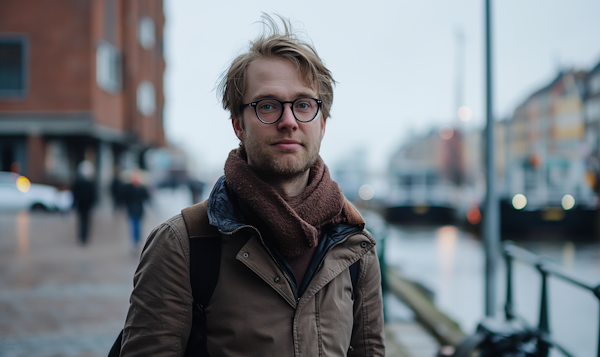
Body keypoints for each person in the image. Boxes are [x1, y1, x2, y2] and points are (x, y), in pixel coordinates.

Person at [120, 14, 385, 356]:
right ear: (238, 125)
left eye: (303, 105)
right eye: (268, 106)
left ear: (322, 123)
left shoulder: (354, 245)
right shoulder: (181, 245)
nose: (288, 121)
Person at [123, 169, 150, 250]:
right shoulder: (128, 187)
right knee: (133, 225)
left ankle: (137, 240)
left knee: (138, 225)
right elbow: (124, 197)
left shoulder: (141, 188)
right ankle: (135, 241)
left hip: (139, 209)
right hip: (131, 209)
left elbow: (146, 197)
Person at [71, 160, 97, 245]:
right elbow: (93, 195)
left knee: (81, 221)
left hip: (82, 204)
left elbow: (75, 194)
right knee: (85, 221)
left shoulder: (79, 182)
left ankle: (82, 236)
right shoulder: (89, 183)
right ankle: (84, 236)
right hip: (86, 205)